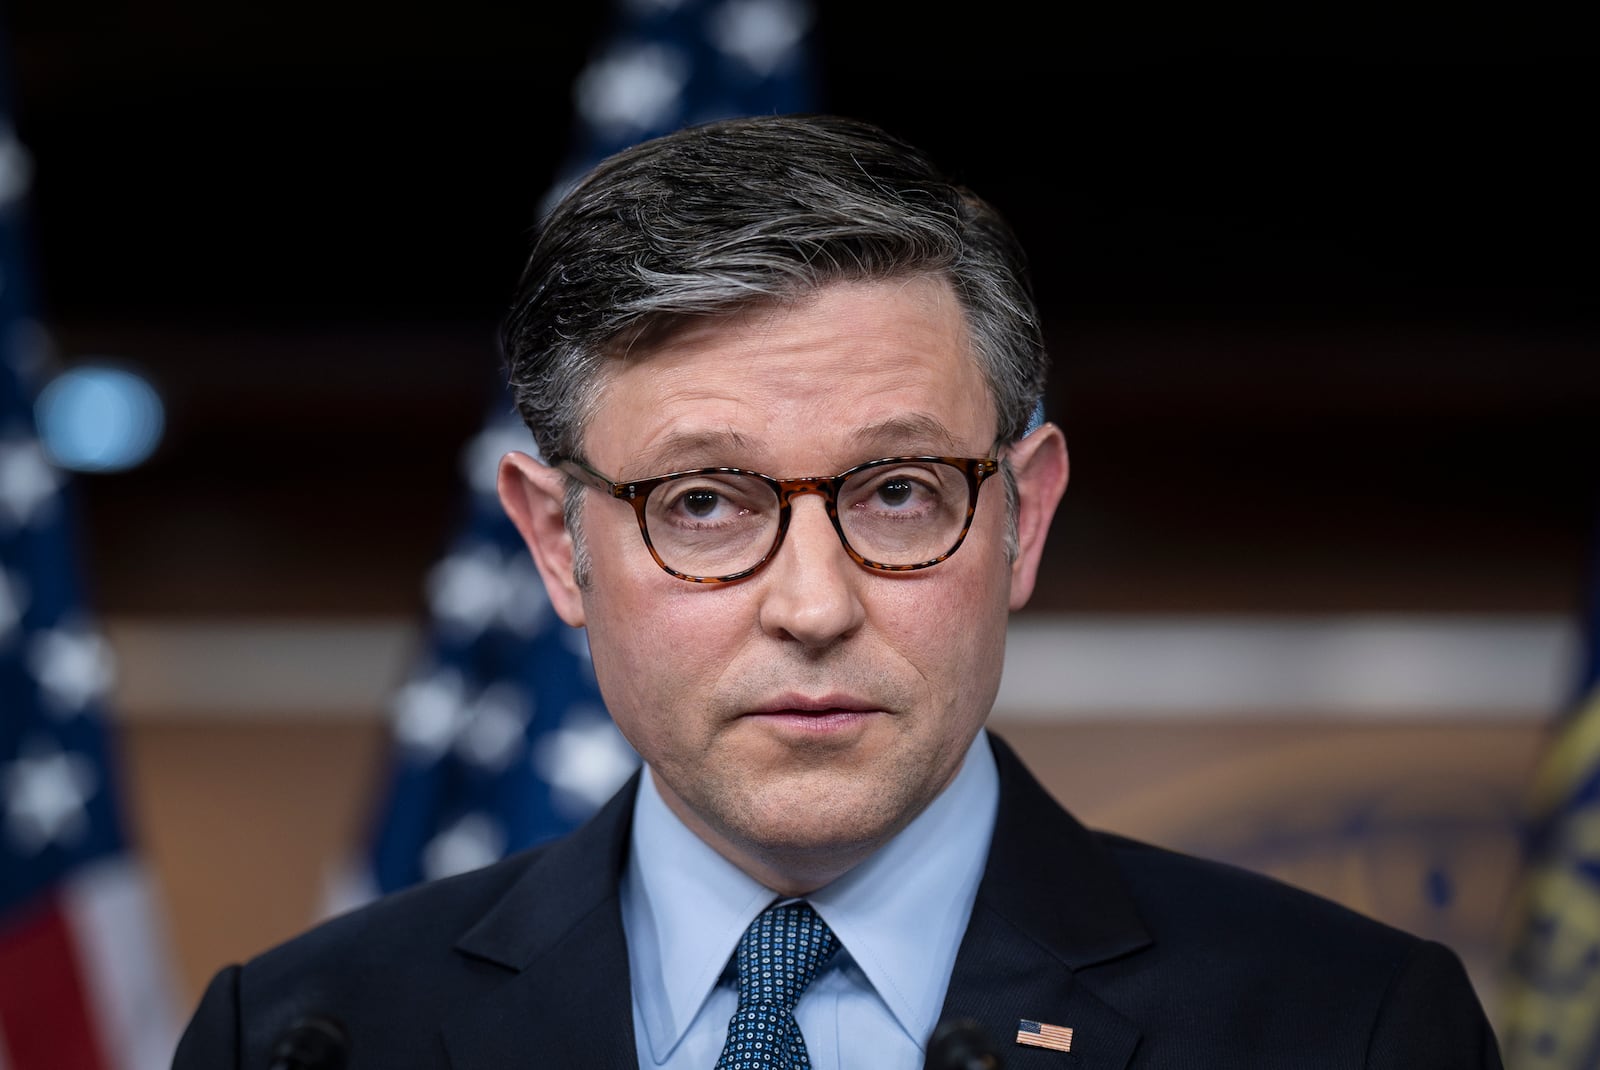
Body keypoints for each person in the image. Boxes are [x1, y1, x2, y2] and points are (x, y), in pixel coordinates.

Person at [172, 113, 1503, 1069]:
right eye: (701, 501)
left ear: (1023, 519)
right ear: (558, 542)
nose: (813, 603)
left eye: (899, 492)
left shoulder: (1345, 1025)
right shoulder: (306, 1033)